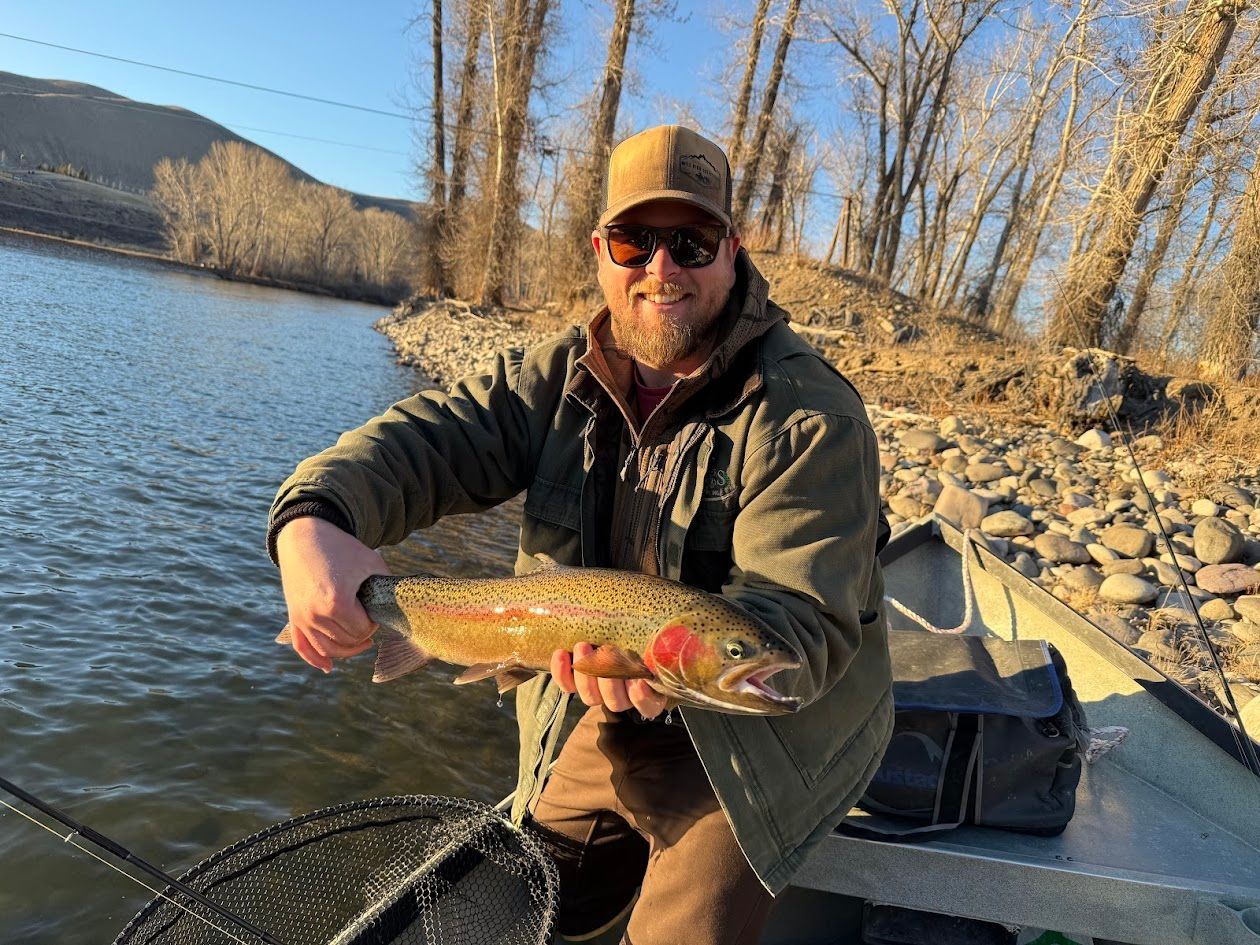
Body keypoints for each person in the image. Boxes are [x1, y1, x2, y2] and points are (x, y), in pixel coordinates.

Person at [268, 124, 893, 944]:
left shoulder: (811, 419)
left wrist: (700, 667)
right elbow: (427, 439)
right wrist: (313, 518)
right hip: (604, 693)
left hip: (766, 742)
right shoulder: (559, 374)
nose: (660, 268)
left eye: (691, 240)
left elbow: (800, 627)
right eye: (635, 240)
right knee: (535, 893)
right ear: (600, 250)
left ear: (732, 251)